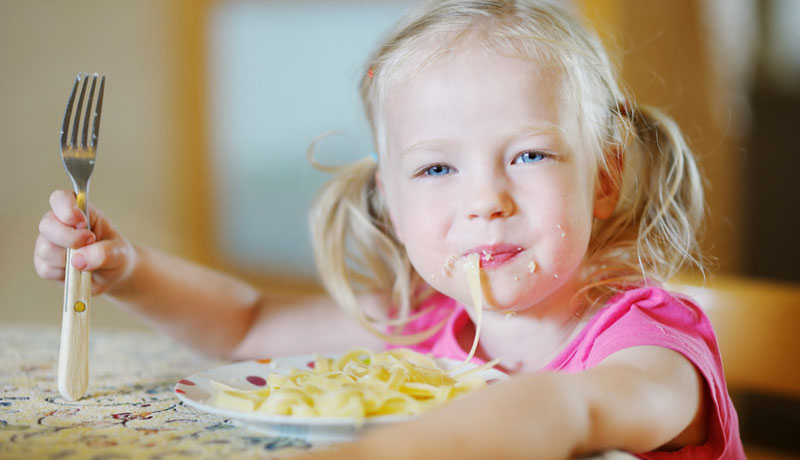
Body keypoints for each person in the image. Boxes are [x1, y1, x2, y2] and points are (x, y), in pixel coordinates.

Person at [34, 1, 744, 458]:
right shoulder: (425, 332)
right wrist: (127, 270)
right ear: (391, 203)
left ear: (604, 178)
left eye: (528, 155)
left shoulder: (648, 346)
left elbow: (571, 410)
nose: (485, 200)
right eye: (437, 169)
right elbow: (248, 325)